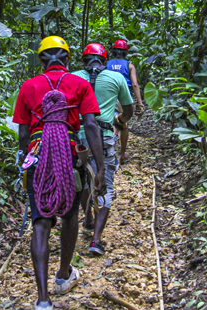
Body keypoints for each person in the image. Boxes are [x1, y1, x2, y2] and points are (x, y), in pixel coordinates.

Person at [12, 36, 107, 310]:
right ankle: (64, 275)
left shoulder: (29, 87)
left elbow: (24, 134)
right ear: (67, 60)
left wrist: (26, 158)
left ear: (41, 60)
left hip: (39, 154)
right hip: (68, 154)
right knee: (69, 215)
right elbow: (90, 125)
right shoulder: (80, 85)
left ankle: (42, 301)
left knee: (40, 223)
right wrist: (99, 167)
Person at [72, 43, 134, 255]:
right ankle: (96, 240)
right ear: (104, 60)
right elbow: (128, 109)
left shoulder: (72, 77)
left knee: (81, 179)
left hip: (77, 137)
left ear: (83, 61)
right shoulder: (115, 78)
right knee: (104, 182)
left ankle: (88, 218)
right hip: (104, 136)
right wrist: (120, 121)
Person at [106, 39, 144, 163]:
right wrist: (139, 102)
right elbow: (135, 84)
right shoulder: (129, 65)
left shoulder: (107, 64)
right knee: (123, 124)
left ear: (113, 52)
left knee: (109, 121)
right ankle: (122, 154)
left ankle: (107, 149)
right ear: (125, 53)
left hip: (109, 95)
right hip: (123, 96)